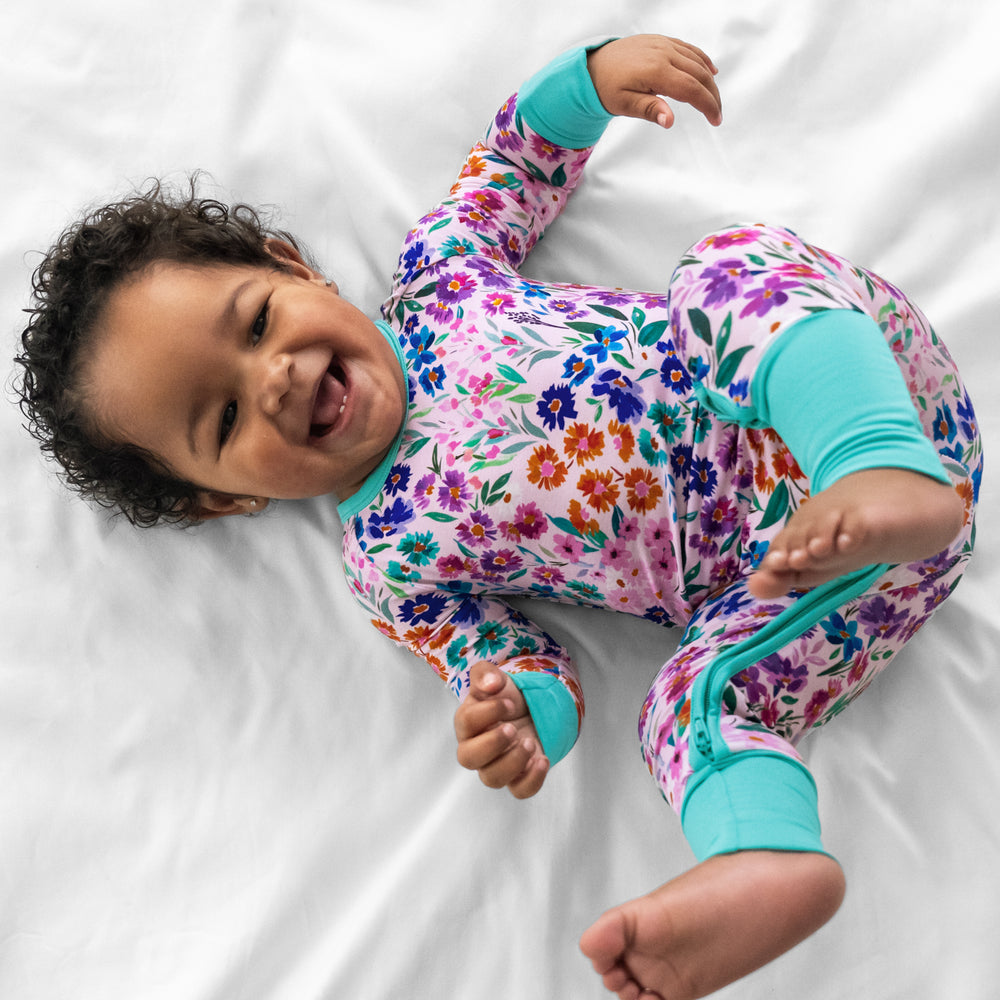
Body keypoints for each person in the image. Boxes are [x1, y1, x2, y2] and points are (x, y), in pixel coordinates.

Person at [15, 33, 981, 1000]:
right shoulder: (389, 562)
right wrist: (522, 717)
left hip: (850, 385)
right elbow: (515, 661)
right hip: (807, 584)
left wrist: (591, 83)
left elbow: (516, 163)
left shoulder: (439, 276)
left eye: (259, 321)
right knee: (689, 707)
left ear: (292, 266)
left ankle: (871, 457)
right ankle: (764, 856)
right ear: (227, 495)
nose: (274, 381)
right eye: (223, 419)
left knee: (726, 267)